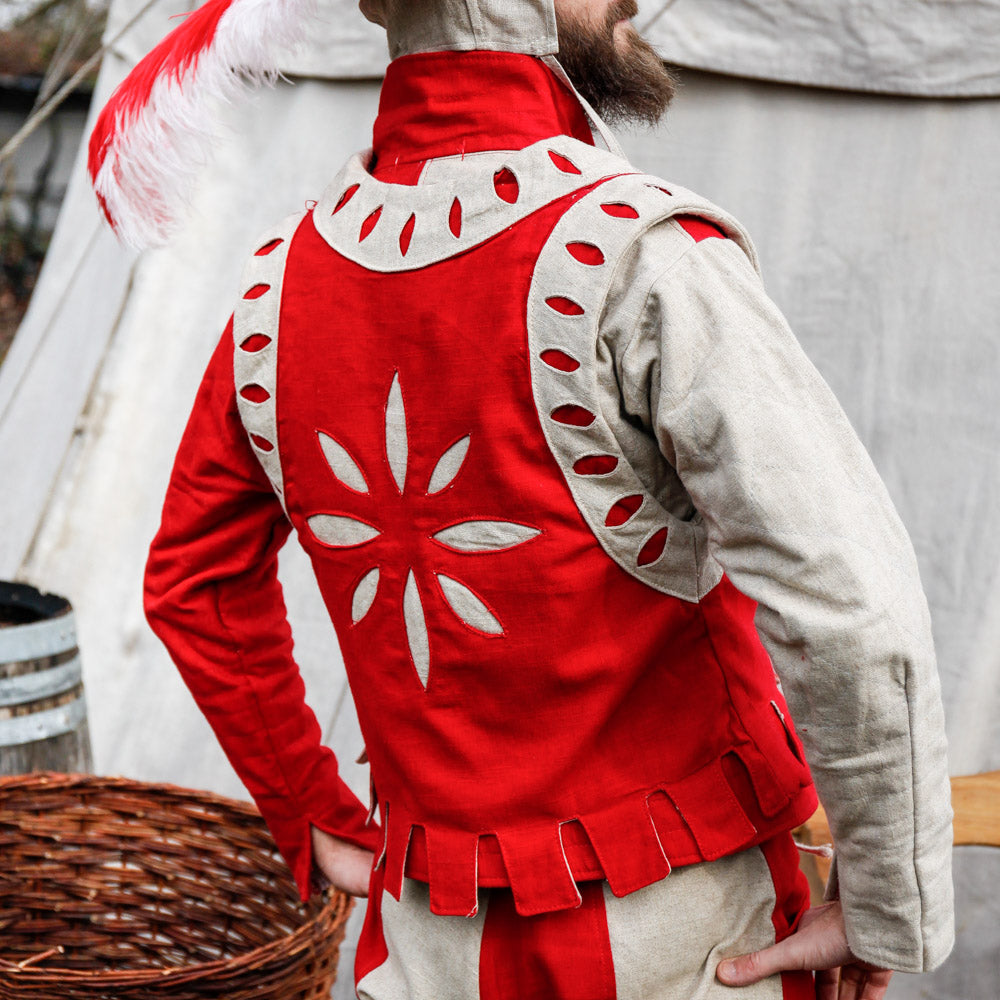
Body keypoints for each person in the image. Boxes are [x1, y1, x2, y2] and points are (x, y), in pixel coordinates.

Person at [88, 0, 955, 996]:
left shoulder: (277, 294)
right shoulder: (644, 257)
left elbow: (192, 584)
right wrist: (885, 898)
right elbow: (852, 607)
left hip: (421, 960)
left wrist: (309, 807)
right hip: (690, 952)